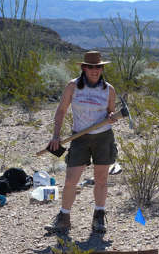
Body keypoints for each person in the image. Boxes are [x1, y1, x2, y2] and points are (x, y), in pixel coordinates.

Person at [45, 51, 118, 234]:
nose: (95, 71)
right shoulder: (73, 87)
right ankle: (63, 218)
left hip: (103, 138)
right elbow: (61, 111)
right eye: (91, 67)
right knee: (71, 180)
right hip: (79, 138)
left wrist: (111, 117)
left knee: (101, 179)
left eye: (98, 67)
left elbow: (110, 113)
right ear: (84, 68)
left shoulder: (109, 89)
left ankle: (99, 217)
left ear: (102, 69)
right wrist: (56, 136)